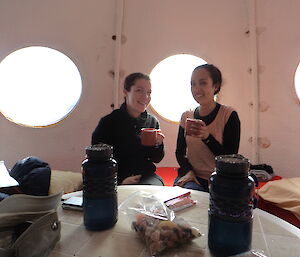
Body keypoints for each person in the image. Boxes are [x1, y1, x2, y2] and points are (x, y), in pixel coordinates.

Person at [174, 64, 241, 192]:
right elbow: (179, 152)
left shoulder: (228, 115)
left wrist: (207, 138)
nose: (196, 89)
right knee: (189, 198)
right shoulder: (187, 115)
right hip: (192, 177)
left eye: (203, 83)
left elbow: (230, 157)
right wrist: (188, 171)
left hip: (220, 178)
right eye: (193, 84)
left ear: (215, 86)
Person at [92, 72, 165, 185]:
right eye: (139, 90)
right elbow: (97, 160)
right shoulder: (108, 122)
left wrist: (158, 144)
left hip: (145, 176)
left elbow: (156, 159)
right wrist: (120, 181)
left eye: (149, 92)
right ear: (126, 92)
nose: (145, 96)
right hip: (115, 177)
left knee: (151, 194)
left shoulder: (152, 122)